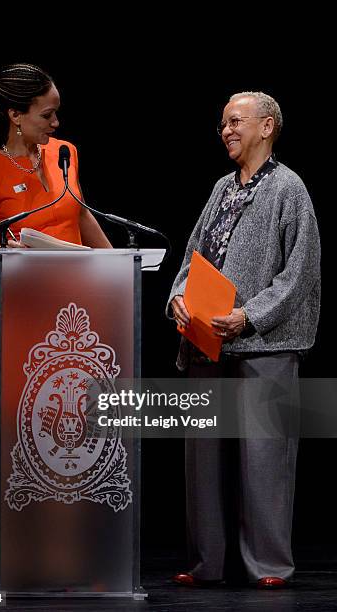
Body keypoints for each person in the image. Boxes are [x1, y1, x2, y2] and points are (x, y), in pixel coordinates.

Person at [0, 63, 112, 571]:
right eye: (47, 114)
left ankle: (61, 529)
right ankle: (0, 529)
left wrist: (117, 270)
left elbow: (80, 213)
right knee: (6, 420)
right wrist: (6, 248)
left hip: (74, 312)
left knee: (73, 419)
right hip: (16, 314)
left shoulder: (64, 156)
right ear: (14, 115)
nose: (56, 124)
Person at [167, 91, 320, 589]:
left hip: (265, 343)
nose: (226, 130)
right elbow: (193, 256)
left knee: (266, 459)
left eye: (235, 121)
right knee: (202, 461)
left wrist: (249, 317)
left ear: (267, 126)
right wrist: (177, 298)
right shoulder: (220, 188)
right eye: (222, 124)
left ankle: (269, 565)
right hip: (207, 342)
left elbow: (298, 274)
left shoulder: (289, 189)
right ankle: (206, 562)